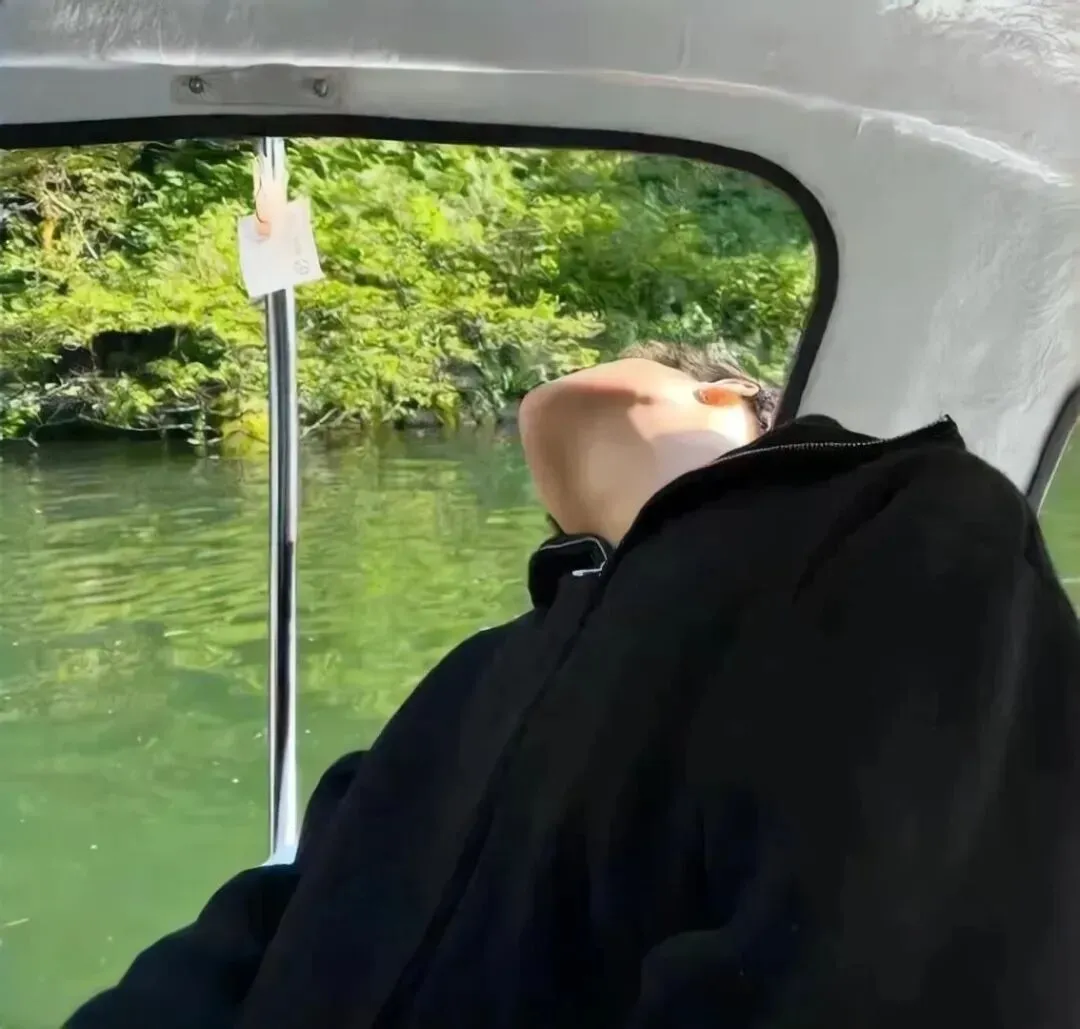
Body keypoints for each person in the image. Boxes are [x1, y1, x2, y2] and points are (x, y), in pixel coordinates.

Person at [67, 342, 1080, 1029]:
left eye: (650, 357)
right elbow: (245, 943)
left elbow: (896, 970)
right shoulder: (477, 672)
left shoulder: (904, 520)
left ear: (732, 398)